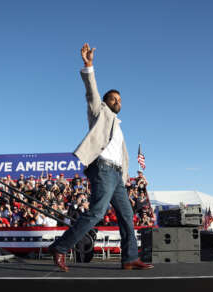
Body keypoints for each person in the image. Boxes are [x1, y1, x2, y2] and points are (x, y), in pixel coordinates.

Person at [49, 43, 153, 271]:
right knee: (97, 212)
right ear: (106, 102)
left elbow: (122, 156)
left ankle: (129, 259)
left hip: (116, 175)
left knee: (127, 216)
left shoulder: (119, 126)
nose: (119, 102)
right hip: (103, 169)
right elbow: (91, 92)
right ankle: (60, 247)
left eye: (120, 100)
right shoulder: (99, 112)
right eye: (115, 99)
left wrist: (125, 177)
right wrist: (89, 66)